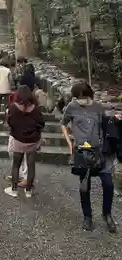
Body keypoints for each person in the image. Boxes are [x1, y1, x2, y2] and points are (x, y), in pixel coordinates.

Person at [61, 82, 117, 232]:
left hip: (99, 152)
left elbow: (106, 126)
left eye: (83, 97)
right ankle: (88, 217)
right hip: (82, 153)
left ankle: (107, 214)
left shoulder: (98, 107)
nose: (80, 100)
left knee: (108, 184)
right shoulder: (72, 107)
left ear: (89, 95)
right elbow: (63, 124)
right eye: (77, 97)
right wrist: (69, 143)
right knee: (84, 187)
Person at [5, 85, 45, 198]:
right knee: (31, 166)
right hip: (32, 141)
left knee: (16, 165)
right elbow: (41, 123)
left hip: (18, 140)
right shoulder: (35, 108)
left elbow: (10, 122)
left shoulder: (14, 108)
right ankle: (28, 191)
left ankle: (14, 190)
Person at [0, 58, 14, 122]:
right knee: (7, 105)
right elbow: (11, 80)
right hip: (6, 89)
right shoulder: (8, 70)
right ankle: (7, 117)